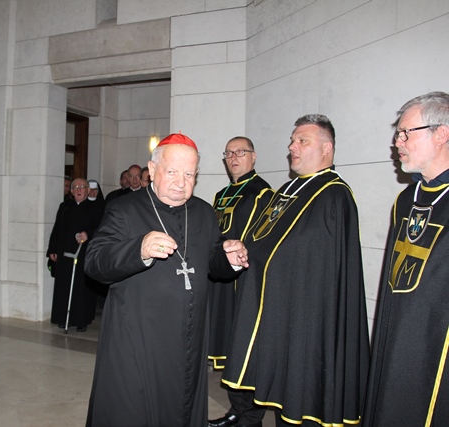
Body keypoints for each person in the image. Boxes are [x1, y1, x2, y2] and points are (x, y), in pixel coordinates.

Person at [213, 115, 369, 427]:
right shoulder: (288, 189)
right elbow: (264, 240)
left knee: (301, 394)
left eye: (302, 141)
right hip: (272, 303)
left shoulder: (333, 194)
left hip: (304, 315)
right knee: (277, 391)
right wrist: (243, 250)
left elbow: (322, 267)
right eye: (292, 140)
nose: (292, 147)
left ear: (326, 148)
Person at [84, 133, 249, 427]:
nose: (181, 183)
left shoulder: (203, 212)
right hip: (137, 340)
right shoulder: (124, 209)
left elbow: (212, 261)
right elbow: (95, 262)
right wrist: (138, 249)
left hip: (188, 340)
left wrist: (230, 259)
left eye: (189, 174)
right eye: (172, 172)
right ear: (152, 169)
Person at [363, 91, 449, 426]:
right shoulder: (406, 199)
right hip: (398, 332)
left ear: (441, 133)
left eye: (405, 133)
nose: (396, 143)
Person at [207, 137, 273, 370]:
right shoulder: (221, 194)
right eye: (228, 153)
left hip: (243, 271)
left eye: (240, 152)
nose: (233, 157)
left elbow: (265, 237)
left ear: (253, 157)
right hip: (219, 266)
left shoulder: (263, 192)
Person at [47, 178, 103, 331]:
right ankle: (63, 318)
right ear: (71, 191)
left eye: (82, 187)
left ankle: (81, 320)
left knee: (82, 288)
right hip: (65, 253)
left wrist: (88, 234)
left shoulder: (96, 208)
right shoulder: (64, 207)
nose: (79, 189)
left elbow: (101, 229)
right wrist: (52, 249)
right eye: (75, 187)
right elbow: (57, 229)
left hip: (84, 253)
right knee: (63, 285)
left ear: (88, 191)